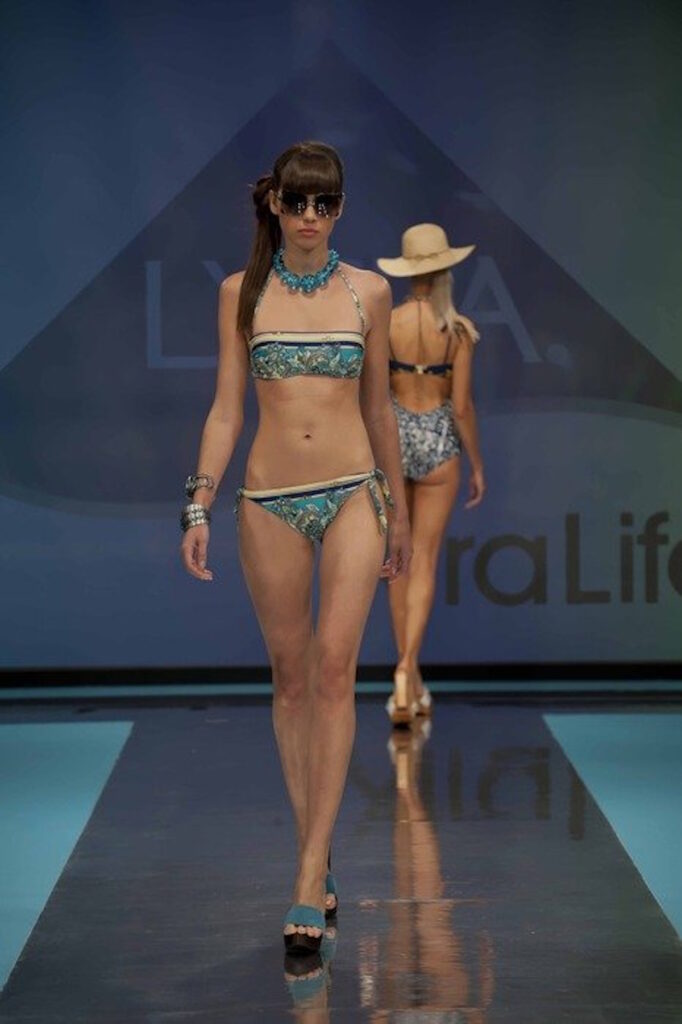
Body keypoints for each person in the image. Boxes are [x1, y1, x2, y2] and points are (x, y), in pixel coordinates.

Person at [180, 141, 411, 954]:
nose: (311, 216)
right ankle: (317, 847)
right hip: (268, 500)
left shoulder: (369, 292)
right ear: (275, 204)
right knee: (290, 680)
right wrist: (198, 502)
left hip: (353, 492)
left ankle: (310, 873)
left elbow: (380, 410)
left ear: (340, 209)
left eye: (326, 203)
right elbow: (225, 409)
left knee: (335, 671)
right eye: (298, 202)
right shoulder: (240, 293)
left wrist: (398, 512)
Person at [377, 224, 485, 726]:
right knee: (423, 562)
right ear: (444, 270)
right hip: (440, 444)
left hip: (394, 441)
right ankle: (407, 669)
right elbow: (461, 406)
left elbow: (375, 397)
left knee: (398, 561)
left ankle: (408, 675)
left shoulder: (388, 323)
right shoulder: (458, 331)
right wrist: (477, 464)